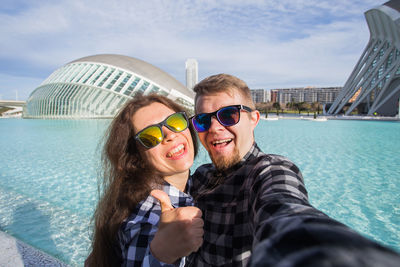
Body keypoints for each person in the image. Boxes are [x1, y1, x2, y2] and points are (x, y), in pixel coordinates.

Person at [156, 73, 400, 266]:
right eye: (203, 120)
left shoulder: (268, 171)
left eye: (228, 115)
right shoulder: (201, 176)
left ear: (254, 119)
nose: (214, 127)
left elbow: (285, 212)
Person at [85, 94, 203, 267]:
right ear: (136, 157)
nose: (169, 135)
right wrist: (162, 254)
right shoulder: (148, 216)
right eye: (151, 135)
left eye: (175, 121)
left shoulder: (198, 181)